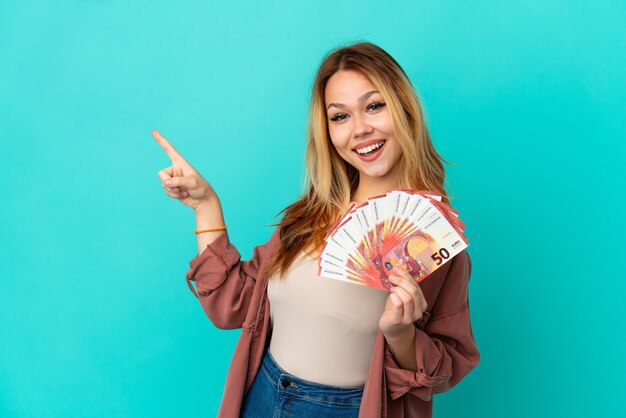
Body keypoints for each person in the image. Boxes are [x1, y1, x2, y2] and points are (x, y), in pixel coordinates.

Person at [153, 41, 479, 418]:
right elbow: (232, 305)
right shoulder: (308, 216)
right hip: (261, 396)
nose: (359, 129)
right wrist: (205, 205)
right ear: (327, 130)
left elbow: (447, 366)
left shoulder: (435, 242)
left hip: (348, 409)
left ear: (405, 109)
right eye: (340, 116)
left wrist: (402, 335)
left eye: (374, 106)